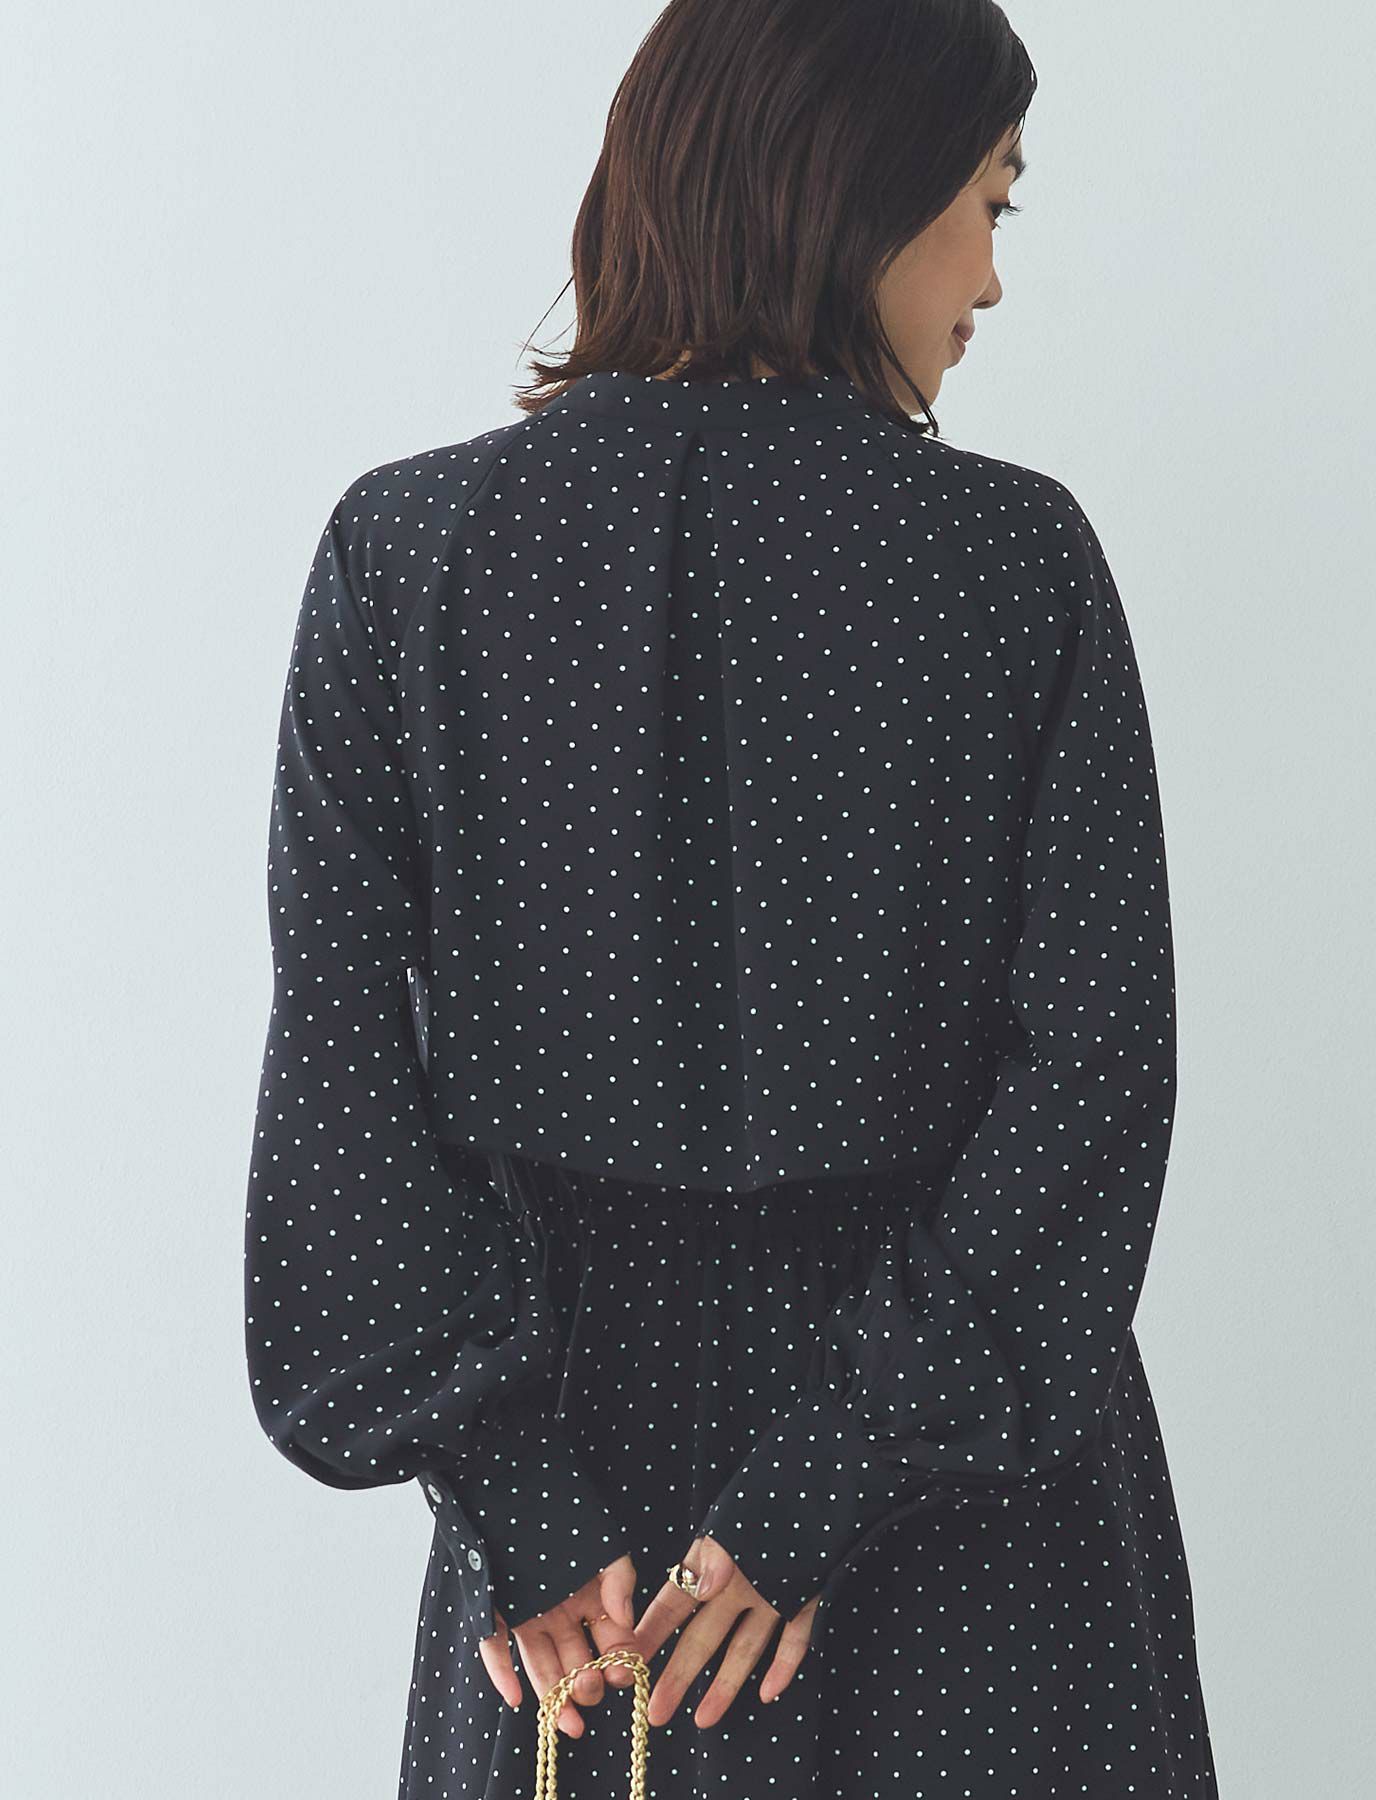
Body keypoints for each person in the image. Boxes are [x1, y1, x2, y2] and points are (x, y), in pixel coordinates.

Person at [242, 2, 1218, 1794]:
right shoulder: (1013, 564)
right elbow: (1090, 1077)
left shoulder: (404, 557)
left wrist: (520, 1501)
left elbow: (344, 1098)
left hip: (579, 1574)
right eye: (992, 202)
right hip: (970, 1530)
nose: (993, 277)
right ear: (863, 184)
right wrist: (827, 1476)